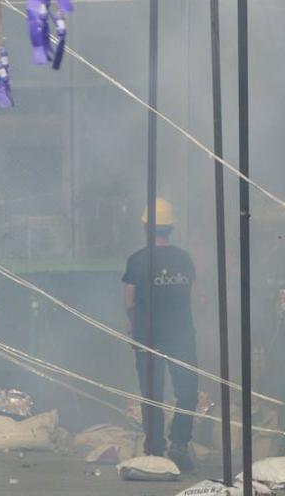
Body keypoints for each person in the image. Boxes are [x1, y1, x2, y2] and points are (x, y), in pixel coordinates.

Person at [122, 197, 199, 470]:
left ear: (146, 227)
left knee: (151, 393)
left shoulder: (137, 261)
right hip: (181, 335)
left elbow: (129, 299)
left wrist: (133, 322)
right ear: (171, 228)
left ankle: (154, 449)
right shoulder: (184, 259)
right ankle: (179, 444)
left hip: (147, 336)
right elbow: (194, 295)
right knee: (187, 391)